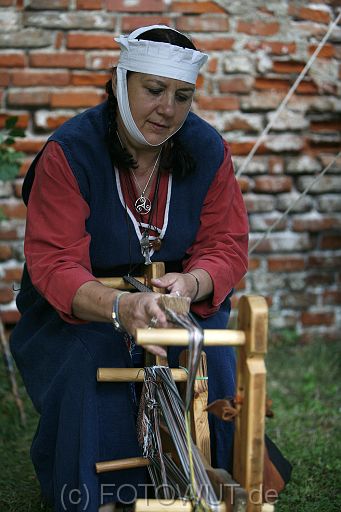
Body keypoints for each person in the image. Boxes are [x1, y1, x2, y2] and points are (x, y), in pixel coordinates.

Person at [10, 25, 248, 511]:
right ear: (121, 82)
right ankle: (100, 496)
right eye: (154, 90)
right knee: (92, 359)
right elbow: (53, 263)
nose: (168, 109)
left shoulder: (206, 149)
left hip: (173, 297)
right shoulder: (70, 152)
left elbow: (226, 243)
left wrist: (191, 281)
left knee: (213, 357)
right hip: (80, 305)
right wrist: (121, 306)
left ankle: (203, 484)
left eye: (183, 96)